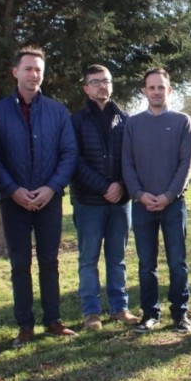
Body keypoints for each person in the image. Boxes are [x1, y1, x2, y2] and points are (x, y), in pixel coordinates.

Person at [0, 47, 78, 347]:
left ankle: (52, 321)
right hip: (13, 201)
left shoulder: (57, 111)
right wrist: (13, 190)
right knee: (19, 264)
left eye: (38, 69)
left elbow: (69, 154)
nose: (34, 74)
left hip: (49, 198)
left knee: (50, 261)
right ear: (16, 72)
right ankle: (24, 326)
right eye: (28, 69)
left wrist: (51, 187)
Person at [122, 68, 191, 334]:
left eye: (161, 87)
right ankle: (150, 314)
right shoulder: (133, 123)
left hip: (173, 204)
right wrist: (140, 195)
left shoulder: (182, 121)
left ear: (169, 90)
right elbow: (126, 164)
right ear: (144, 91)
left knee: (177, 261)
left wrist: (167, 196)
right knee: (146, 264)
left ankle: (180, 314)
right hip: (142, 206)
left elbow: (186, 164)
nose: (156, 92)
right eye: (151, 87)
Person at [70, 64, 139, 331]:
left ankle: (119, 308)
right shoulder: (75, 121)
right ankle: (91, 313)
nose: (102, 86)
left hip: (121, 202)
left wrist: (121, 185)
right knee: (88, 259)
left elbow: (131, 159)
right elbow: (74, 161)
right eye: (95, 82)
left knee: (117, 258)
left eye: (106, 81)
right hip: (89, 202)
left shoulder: (125, 120)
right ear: (86, 88)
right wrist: (104, 187)